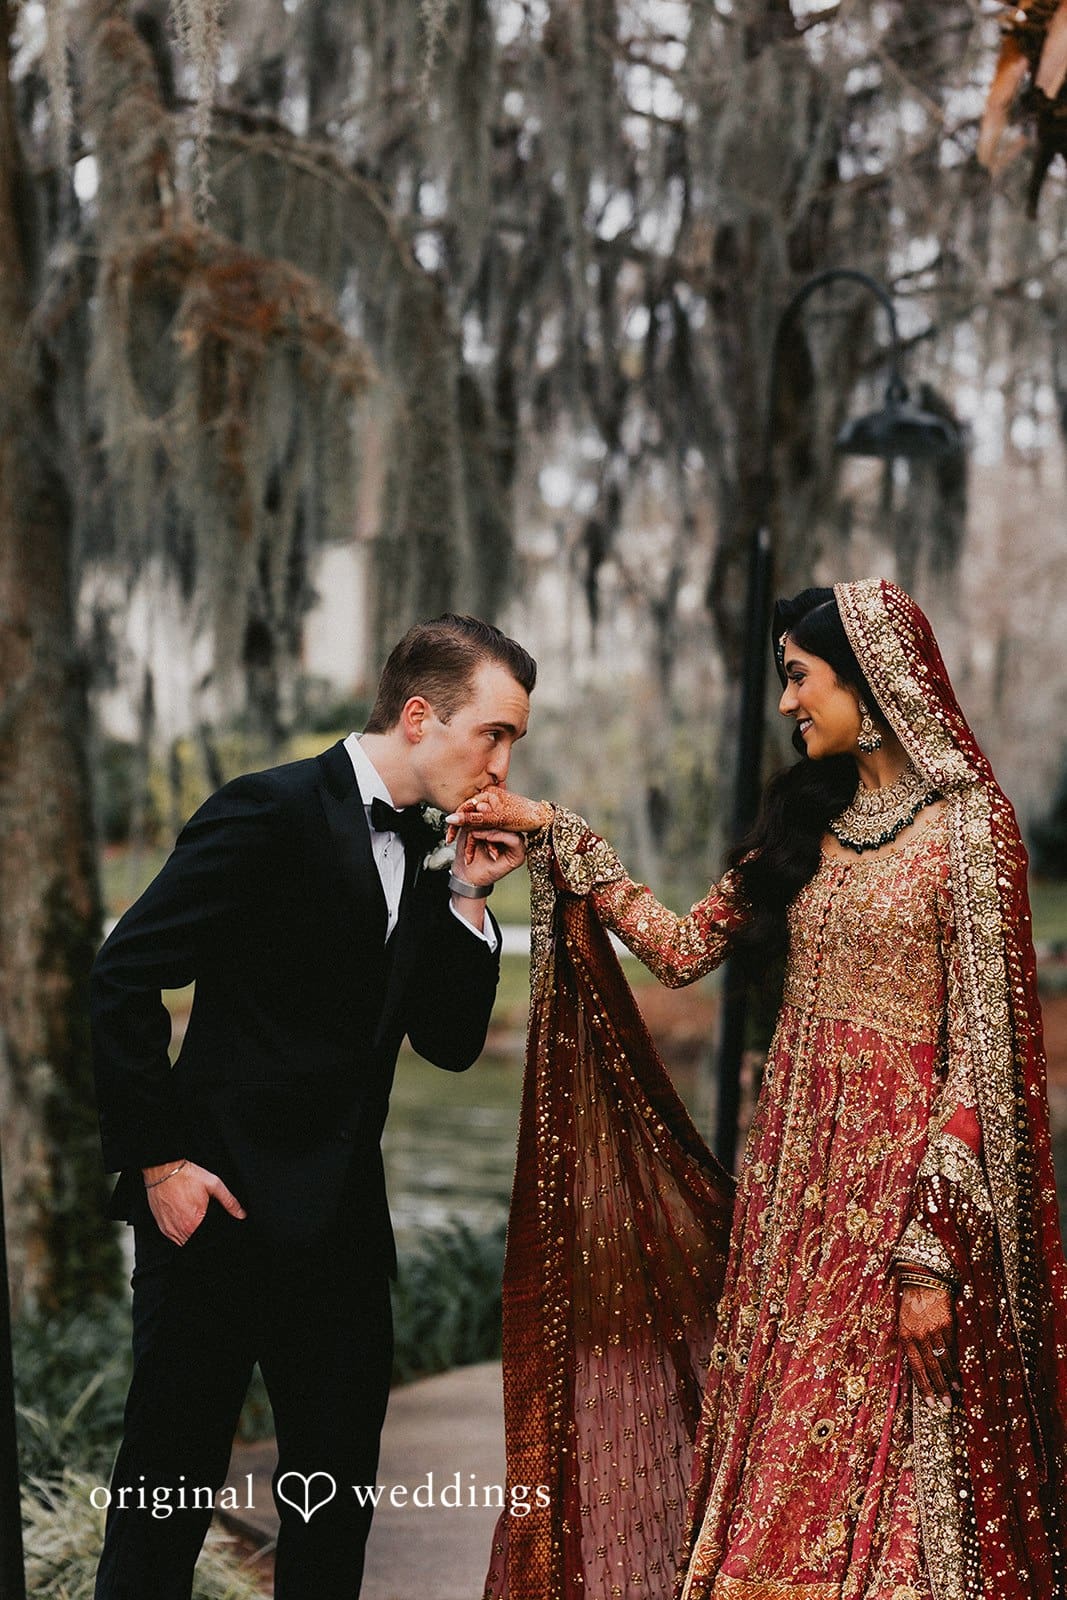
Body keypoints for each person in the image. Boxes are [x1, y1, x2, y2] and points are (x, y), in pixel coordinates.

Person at [452, 579, 1067, 1600]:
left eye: (798, 678)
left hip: (899, 1203)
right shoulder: (804, 822)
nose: (787, 703)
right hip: (793, 1207)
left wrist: (933, 1251)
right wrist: (555, 831)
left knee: (901, 1472)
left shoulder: (970, 832)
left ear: (868, 681)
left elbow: (986, 1058)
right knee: (783, 1459)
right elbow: (683, 948)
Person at [90, 614, 534, 1600]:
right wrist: (159, 1162)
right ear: (420, 716)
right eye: (492, 732)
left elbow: (452, 1045)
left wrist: (466, 896)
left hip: (339, 1234)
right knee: (160, 1510)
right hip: (210, 1215)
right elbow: (124, 974)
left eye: (513, 741)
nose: (501, 759)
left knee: (332, 1525)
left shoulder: (435, 848)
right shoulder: (266, 810)